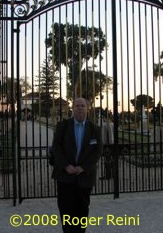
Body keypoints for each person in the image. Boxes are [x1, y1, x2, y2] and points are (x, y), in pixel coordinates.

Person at [51, 97, 102, 233]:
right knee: (66, 211)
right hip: (65, 176)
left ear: (88, 108)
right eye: (77, 105)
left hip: (84, 177)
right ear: (72, 108)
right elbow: (56, 147)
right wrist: (66, 166)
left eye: (82, 106)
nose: (80, 108)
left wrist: (83, 167)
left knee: (82, 211)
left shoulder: (94, 129)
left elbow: (98, 151)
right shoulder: (63, 126)